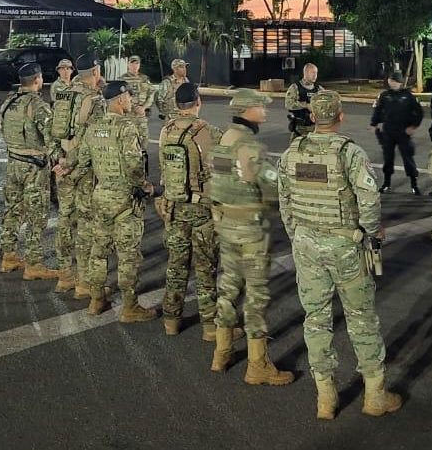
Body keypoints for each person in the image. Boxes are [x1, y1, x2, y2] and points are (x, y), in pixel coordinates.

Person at [278, 91, 401, 421]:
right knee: (361, 317)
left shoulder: (292, 152)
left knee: (316, 318)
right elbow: (369, 198)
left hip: (306, 245)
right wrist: (371, 232)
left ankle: (325, 397)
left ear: (312, 117)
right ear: (340, 116)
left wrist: (298, 235)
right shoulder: (349, 152)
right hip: (346, 246)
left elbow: (284, 201)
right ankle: (374, 395)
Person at [208, 89, 294, 386]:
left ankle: (221, 352)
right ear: (247, 110)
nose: (265, 111)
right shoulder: (249, 146)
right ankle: (258, 365)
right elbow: (272, 187)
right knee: (256, 296)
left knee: (228, 286)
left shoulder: (223, 140)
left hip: (226, 223)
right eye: (260, 106)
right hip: (250, 229)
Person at [75, 80, 159, 321]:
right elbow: (134, 165)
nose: (131, 100)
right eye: (128, 97)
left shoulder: (93, 127)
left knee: (99, 251)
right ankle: (130, 306)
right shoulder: (126, 127)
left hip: (101, 196)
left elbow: (83, 161)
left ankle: (96, 299)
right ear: (120, 100)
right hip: (125, 200)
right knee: (128, 255)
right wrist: (144, 186)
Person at [157, 82, 222, 337]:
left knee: (176, 266)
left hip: (174, 208)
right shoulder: (209, 132)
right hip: (201, 210)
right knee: (205, 268)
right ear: (198, 102)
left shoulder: (166, 131)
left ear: (176, 104)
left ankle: (171, 320)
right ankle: (210, 326)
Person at [0, 62, 61, 280]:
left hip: (14, 162)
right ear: (37, 79)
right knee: (37, 215)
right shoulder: (38, 105)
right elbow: (51, 137)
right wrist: (60, 160)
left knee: (13, 210)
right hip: (34, 167)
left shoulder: (9, 102)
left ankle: (9, 256)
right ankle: (34, 264)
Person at [52, 54, 106, 296]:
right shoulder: (95, 99)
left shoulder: (62, 94)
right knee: (85, 224)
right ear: (95, 72)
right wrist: (75, 166)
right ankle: (84, 282)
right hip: (83, 170)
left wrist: (59, 161)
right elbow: (95, 141)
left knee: (65, 220)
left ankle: (65, 275)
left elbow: (53, 130)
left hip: (63, 163)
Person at [371, 71, 423, 195]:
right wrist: (374, 123)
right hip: (388, 132)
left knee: (408, 158)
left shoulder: (408, 96)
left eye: (396, 81)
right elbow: (378, 110)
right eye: (391, 80)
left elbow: (419, 112)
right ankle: (386, 184)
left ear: (400, 83)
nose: (393, 83)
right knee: (388, 158)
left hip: (403, 132)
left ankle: (414, 185)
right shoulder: (384, 95)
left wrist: (413, 126)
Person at [285, 63, 324, 138]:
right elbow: (288, 104)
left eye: (316, 73)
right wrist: (306, 105)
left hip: (316, 128)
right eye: (312, 73)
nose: (315, 75)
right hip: (300, 129)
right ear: (305, 73)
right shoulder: (295, 87)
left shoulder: (319, 89)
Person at [155, 58, 189, 123]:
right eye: (181, 67)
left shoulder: (186, 81)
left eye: (185, 67)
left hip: (184, 117)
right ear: (174, 69)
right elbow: (159, 99)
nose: (185, 69)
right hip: (171, 118)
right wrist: (163, 113)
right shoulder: (167, 82)